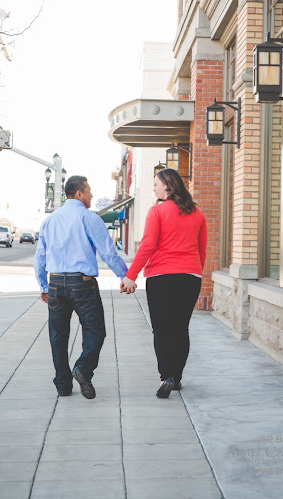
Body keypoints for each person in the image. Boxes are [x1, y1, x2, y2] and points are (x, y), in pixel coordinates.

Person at [34, 175, 128, 399]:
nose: (92, 195)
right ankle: (83, 368)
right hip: (82, 284)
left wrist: (43, 286)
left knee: (58, 335)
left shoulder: (50, 220)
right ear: (79, 194)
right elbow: (107, 251)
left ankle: (62, 385)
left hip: (56, 282)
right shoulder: (89, 218)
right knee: (95, 330)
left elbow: (40, 257)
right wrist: (124, 275)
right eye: (89, 191)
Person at [120, 168, 206, 398]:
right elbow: (202, 250)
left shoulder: (157, 211)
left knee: (162, 329)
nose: (153, 188)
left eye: (156, 184)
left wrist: (131, 275)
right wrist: (196, 272)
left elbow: (147, 245)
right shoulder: (197, 213)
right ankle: (176, 377)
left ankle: (166, 376)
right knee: (180, 328)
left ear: (168, 185)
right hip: (190, 277)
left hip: (161, 277)